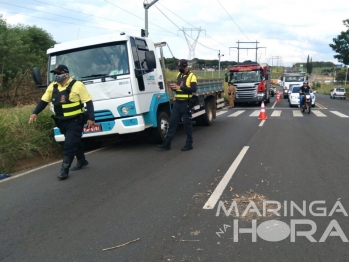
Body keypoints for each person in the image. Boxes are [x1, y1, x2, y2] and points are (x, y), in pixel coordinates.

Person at [28, 65, 95, 180]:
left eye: (58, 74)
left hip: (75, 120)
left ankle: (64, 170)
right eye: (55, 74)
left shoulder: (77, 85)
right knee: (74, 141)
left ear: (66, 74)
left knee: (69, 144)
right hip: (61, 121)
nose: (56, 76)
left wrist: (91, 117)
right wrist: (35, 113)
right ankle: (82, 161)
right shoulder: (52, 86)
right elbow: (44, 101)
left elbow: (88, 102)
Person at [157, 59, 197, 151]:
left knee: (187, 124)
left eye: (181, 67)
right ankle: (167, 143)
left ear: (185, 66)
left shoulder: (192, 76)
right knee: (172, 123)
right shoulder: (179, 75)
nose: (179, 69)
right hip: (177, 103)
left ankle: (189, 144)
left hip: (186, 103)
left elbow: (193, 89)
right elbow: (179, 88)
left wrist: (180, 87)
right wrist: (174, 88)